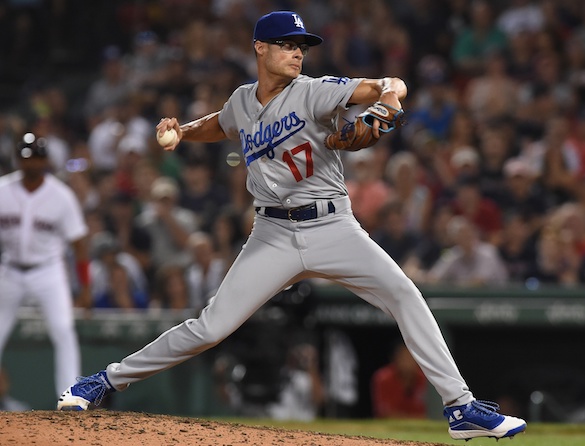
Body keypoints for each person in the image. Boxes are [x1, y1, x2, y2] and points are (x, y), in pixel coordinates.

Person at [57, 11, 526, 441]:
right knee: (210, 328)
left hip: (332, 226)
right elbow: (221, 124)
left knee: (405, 295)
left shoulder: (315, 90)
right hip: (272, 235)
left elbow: (392, 83)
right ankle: (102, 381)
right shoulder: (243, 100)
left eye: (301, 44)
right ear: (260, 47)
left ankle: (460, 408)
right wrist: (182, 132)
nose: (298, 52)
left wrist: (386, 100)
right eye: (286, 43)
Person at [0, 133, 91, 397]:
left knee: (63, 330)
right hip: (9, 270)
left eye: (37, 158)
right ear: (18, 159)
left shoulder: (61, 196)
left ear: (46, 161)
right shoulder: (3, 191)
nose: (32, 164)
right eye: (28, 158)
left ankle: (71, 396)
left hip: (48, 271)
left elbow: (79, 245)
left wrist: (85, 287)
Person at [371, 341, 428, 419]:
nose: (407, 362)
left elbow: (431, 414)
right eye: (403, 357)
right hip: (389, 428)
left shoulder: (426, 379)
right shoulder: (383, 378)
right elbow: (384, 413)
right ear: (395, 358)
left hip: (421, 428)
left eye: (410, 357)